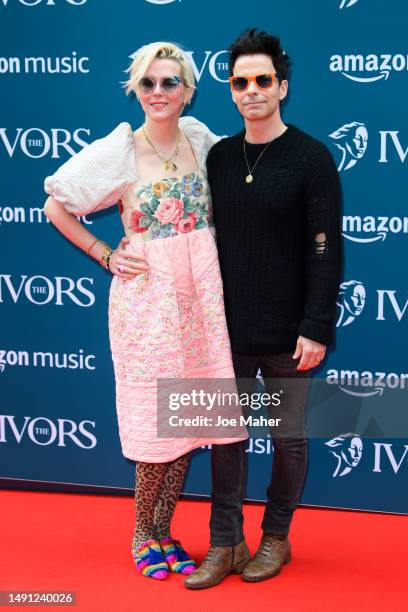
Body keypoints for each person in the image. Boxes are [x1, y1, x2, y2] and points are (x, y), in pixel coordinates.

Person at [43, 41, 246, 581]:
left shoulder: (200, 139)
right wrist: (104, 254)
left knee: (183, 421)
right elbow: (55, 206)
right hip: (146, 305)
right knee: (154, 426)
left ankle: (164, 530)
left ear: (188, 91)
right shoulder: (119, 151)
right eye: (149, 83)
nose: (159, 92)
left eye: (170, 83)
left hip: (198, 302)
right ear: (135, 88)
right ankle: (142, 534)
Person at [184, 28, 342, 589]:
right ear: (230, 91)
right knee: (224, 436)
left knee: (286, 439)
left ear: (283, 86)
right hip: (225, 328)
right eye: (240, 81)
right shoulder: (220, 158)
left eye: (262, 80)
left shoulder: (311, 158)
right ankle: (226, 542)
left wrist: (316, 325)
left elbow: (326, 250)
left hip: (287, 332)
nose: (251, 90)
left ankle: (276, 536)